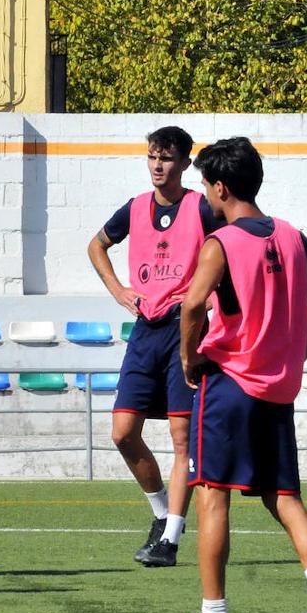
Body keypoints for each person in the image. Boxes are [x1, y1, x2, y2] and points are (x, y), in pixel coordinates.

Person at [165, 137, 307, 613]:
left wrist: (187, 355)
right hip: (275, 390)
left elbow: (192, 305)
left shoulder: (221, 243)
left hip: (228, 387)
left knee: (212, 496)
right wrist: (296, 350)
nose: (204, 195)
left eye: (204, 186)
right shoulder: (293, 238)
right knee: (285, 497)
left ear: (220, 187)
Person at [87, 126, 222, 567]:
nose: (157, 165)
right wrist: (118, 290)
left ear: (185, 163)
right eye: (151, 157)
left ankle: (171, 540)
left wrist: (209, 300)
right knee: (123, 432)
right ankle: (161, 515)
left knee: (183, 440)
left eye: (166, 158)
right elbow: (97, 245)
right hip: (146, 331)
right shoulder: (135, 207)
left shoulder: (202, 207)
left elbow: (230, 252)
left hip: (186, 329)